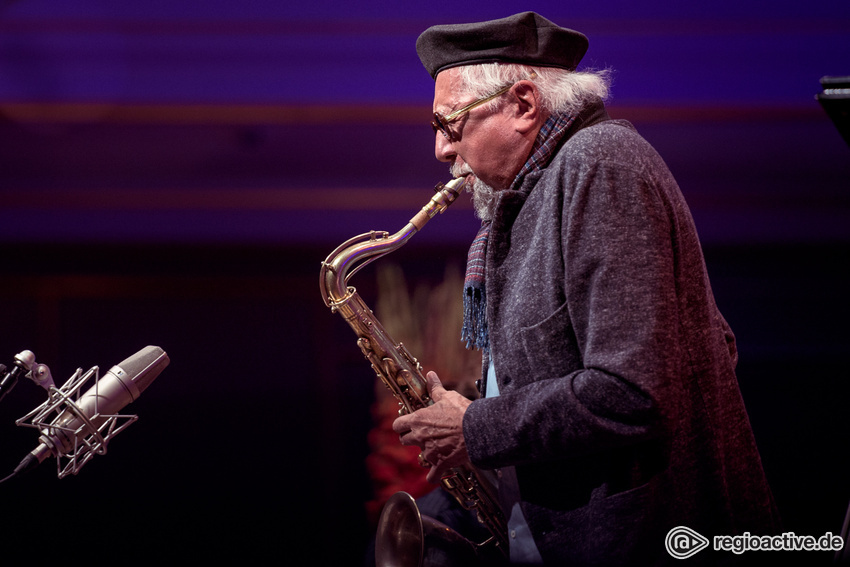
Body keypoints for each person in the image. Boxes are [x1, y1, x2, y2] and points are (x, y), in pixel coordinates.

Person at [391, 11, 780, 566]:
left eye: (449, 124)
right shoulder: (536, 194)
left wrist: (477, 426)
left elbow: (635, 391)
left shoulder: (600, 165)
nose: (441, 151)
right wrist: (473, 410)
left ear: (524, 105)